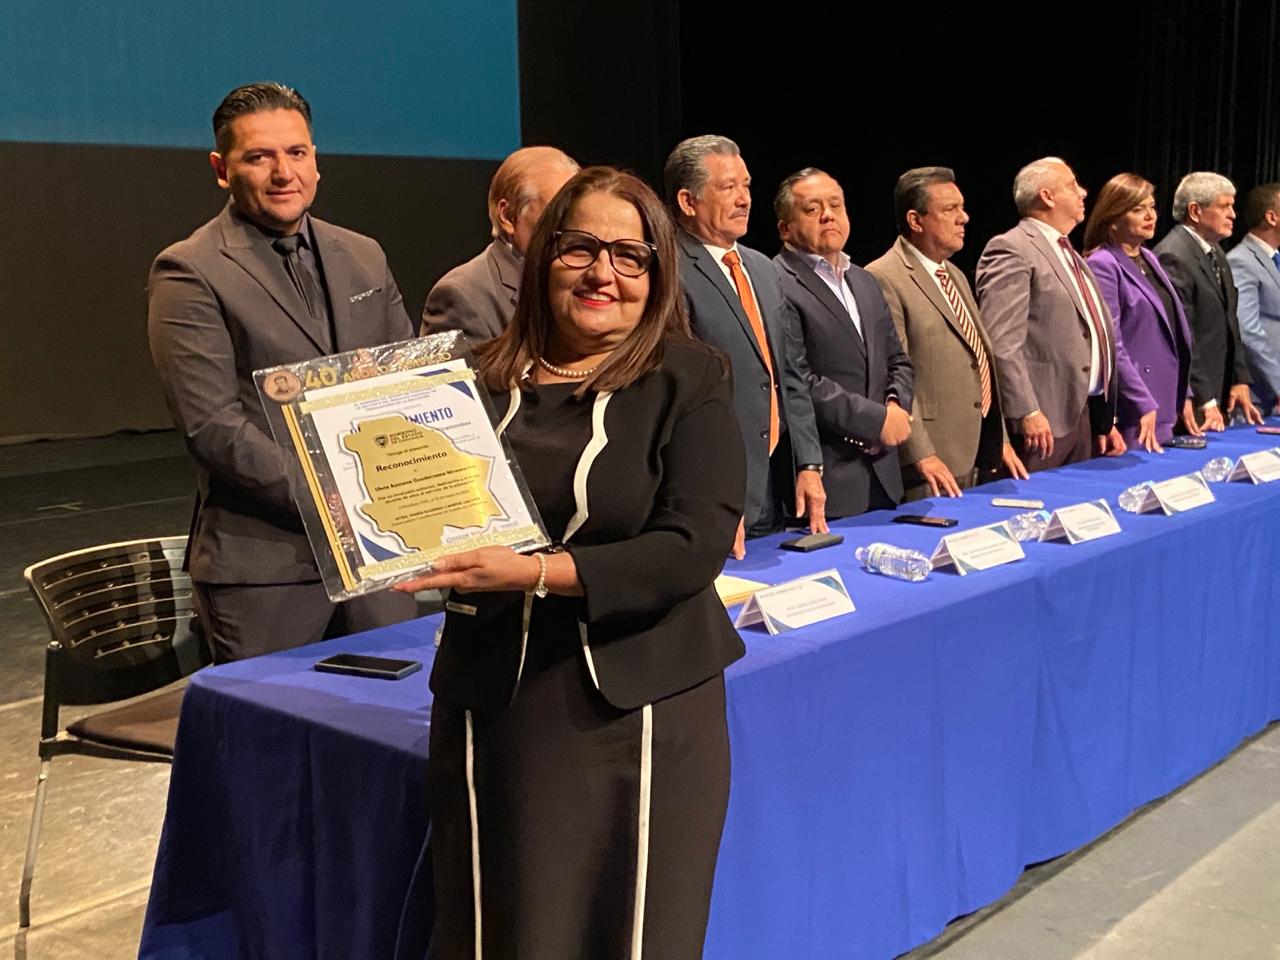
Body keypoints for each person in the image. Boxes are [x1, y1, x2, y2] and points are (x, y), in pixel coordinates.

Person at [394, 166, 746, 959]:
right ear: (542, 256)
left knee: (631, 934)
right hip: (493, 703)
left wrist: (534, 573)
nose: (602, 273)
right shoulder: (465, 381)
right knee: (498, 928)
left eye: (629, 255)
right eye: (580, 247)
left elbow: (693, 546)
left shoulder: (689, 377)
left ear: (657, 272)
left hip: (638, 709)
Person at [147, 82, 416, 662]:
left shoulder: (364, 254)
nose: (283, 173)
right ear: (221, 169)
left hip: (380, 554)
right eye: (259, 157)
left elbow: (406, 384)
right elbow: (212, 426)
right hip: (266, 572)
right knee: (275, 723)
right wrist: (338, 497)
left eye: (296, 152)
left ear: (316, 159)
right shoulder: (190, 270)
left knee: (390, 714)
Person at [664, 135, 826, 554]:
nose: (744, 199)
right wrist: (710, 494)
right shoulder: (668, 272)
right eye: (728, 187)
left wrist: (809, 463)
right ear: (687, 201)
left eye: (747, 186)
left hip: (778, 487)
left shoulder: (762, 268)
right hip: (721, 493)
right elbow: (678, 400)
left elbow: (790, 373)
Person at [866, 167, 1026, 499]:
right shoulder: (884, 277)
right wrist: (920, 453)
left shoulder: (954, 274)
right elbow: (893, 374)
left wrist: (998, 439)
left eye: (962, 207)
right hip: (930, 463)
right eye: (950, 209)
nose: (964, 218)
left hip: (976, 452)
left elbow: (978, 359)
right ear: (915, 220)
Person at [772, 168, 916, 514]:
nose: (828, 215)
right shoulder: (776, 282)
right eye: (812, 209)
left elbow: (897, 359)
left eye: (836, 205)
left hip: (884, 476)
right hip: (829, 480)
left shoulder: (865, 280)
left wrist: (895, 408)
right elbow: (797, 380)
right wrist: (874, 422)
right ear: (785, 228)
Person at [976, 157, 1126, 470]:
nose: (1083, 192)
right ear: (1046, 196)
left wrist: (1102, 417)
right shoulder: (1012, 247)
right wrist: (1027, 410)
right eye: (1072, 186)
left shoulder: (1068, 251)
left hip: (1081, 416)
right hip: (1040, 424)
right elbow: (1001, 343)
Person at [1083, 173, 1199, 450]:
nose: (1150, 216)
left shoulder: (1148, 258)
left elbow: (1170, 334)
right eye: (1138, 209)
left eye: (1152, 206)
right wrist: (1141, 401)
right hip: (1134, 408)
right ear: (1113, 218)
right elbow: (1112, 344)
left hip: (1164, 401)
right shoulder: (1103, 263)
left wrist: (1184, 393)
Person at [422, 145, 579, 340]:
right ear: (507, 216)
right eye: (555, 213)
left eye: (574, 212)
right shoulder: (461, 297)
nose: (571, 226)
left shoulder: (581, 278)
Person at [1154, 172, 1263, 428]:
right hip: (1192, 398)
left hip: (1218, 392)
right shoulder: (1173, 256)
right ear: (1195, 211)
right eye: (1224, 206)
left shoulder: (1216, 252)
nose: (1233, 215)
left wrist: (1239, 378)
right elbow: (1183, 335)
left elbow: (1230, 323)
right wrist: (1204, 398)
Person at [1226, 182, 1280, 414]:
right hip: (1261, 399)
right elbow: (1247, 331)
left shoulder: (1274, 259)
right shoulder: (1241, 260)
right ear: (1272, 217)